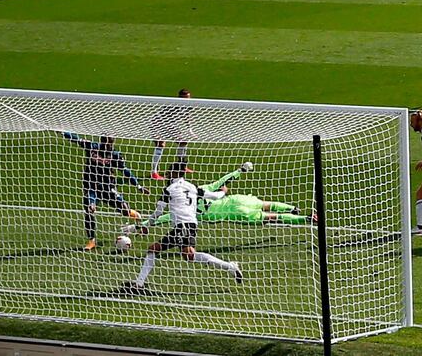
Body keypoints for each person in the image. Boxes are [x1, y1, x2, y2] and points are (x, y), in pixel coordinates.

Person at [125, 161, 242, 293]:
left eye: (169, 172)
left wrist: (147, 225)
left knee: (155, 249)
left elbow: (158, 212)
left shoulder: (169, 189)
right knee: (188, 255)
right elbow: (214, 196)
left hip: (182, 225)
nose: (167, 174)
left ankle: (138, 284)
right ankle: (230, 267)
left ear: (174, 173)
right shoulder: (192, 186)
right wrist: (223, 192)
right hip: (191, 224)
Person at [123, 162, 316, 232]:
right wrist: (240, 170)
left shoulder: (188, 212)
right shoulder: (199, 188)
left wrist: (137, 226)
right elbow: (223, 180)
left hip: (234, 213)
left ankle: (305, 219)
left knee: (270, 218)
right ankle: (292, 208)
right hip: (234, 200)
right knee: (266, 205)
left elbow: (159, 219)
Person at [60, 132, 150, 251]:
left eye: (111, 144)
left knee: (124, 209)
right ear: (102, 143)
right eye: (108, 144)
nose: (110, 146)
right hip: (91, 187)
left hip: (107, 187)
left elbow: (126, 171)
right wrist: (62, 132)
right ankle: (91, 241)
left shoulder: (115, 155)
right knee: (89, 209)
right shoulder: (93, 147)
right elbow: (76, 139)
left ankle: (135, 215)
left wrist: (138, 186)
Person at [150, 89, 194, 180]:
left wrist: (190, 130)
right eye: (185, 98)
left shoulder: (188, 105)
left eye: (189, 98)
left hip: (170, 126)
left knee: (183, 142)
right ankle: (154, 173)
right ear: (179, 97)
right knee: (160, 145)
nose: (187, 100)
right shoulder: (173, 105)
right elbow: (161, 119)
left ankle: (182, 166)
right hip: (157, 125)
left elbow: (187, 116)